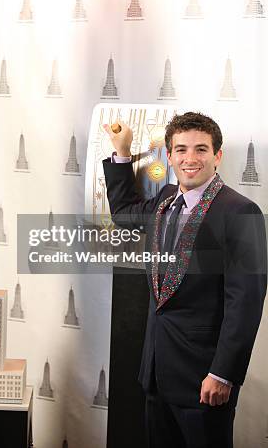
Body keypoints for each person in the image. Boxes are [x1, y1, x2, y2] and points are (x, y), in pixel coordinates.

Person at [103, 112, 267, 448]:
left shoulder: (240, 212)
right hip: (157, 372)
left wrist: (223, 373)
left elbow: (245, 303)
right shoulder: (165, 201)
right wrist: (122, 152)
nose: (189, 159)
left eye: (201, 149)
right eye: (180, 150)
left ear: (217, 156)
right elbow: (124, 215)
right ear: (170, 155)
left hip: (204, 379)